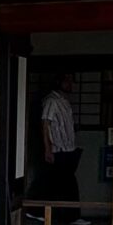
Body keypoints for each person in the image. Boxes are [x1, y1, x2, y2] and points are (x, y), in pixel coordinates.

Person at [35, 75, 80, 206]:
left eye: (71, 81)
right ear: (58, 82)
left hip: (67, 148)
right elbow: (45, 123)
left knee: (64, 183)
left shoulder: (63, 101)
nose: (70, 84)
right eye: (67, 81)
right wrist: (48, 149)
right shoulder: (52, 101)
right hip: (58, 149)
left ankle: (68, 215)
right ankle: (38, 210)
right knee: (61, 182)